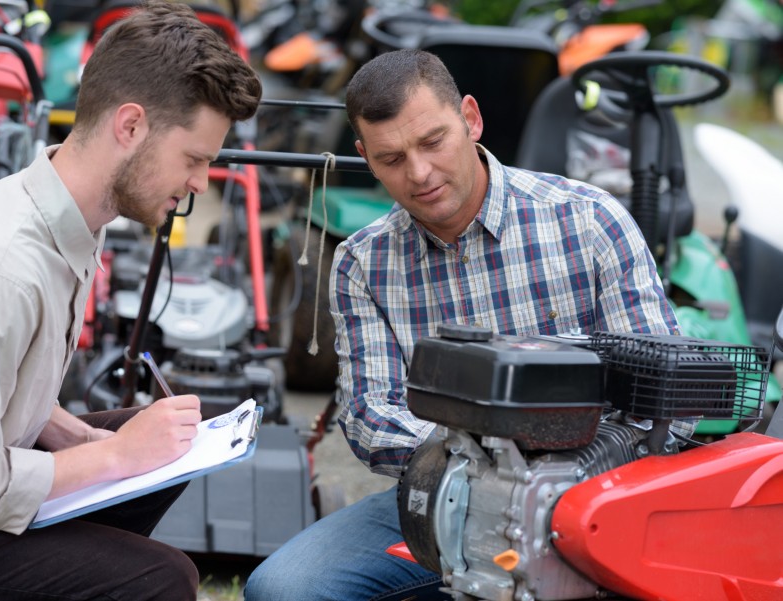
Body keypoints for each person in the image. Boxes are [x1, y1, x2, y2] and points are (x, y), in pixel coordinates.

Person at [244, 49, 677, 600]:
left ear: (471, 118)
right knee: (284, 589)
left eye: (432, 142)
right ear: (365, 158)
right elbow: (369, 413)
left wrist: (558, 471)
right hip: (448, 495)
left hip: (596, 497)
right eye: (392, 158)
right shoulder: (363, 263)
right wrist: (481, 466)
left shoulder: (589, 220)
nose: (419, 174)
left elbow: (664, 397)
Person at [0, 2, 262, 600]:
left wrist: (89, 441)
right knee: (164, 579)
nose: (199, 184)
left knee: (162, 443)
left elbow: (1, 388)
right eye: (194, 160)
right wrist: (113, 459)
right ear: (130, 126)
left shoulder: (73, 217)